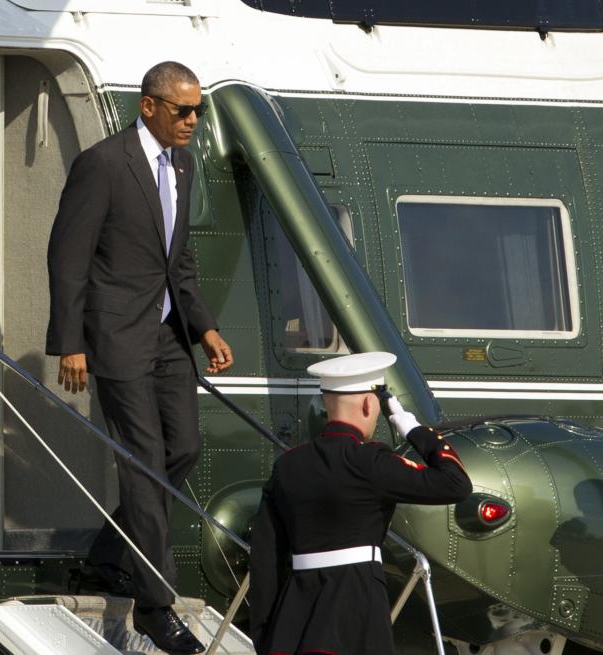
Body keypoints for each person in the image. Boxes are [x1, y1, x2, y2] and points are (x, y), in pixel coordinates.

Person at [46, 61, 233, 654]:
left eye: (198, 110)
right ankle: (156, 606)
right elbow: (67, 257)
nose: (193, 121)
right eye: (183, 110)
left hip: (166, 335)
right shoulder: (104, 163)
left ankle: (108, 554)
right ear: (149, 106)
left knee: (182, 448)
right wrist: (69, 342)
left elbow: (179, 261)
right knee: (147, 460)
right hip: (115, 337)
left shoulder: (182, 164)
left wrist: (204, 330)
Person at [248, 351, 472, 655]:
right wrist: (416, 430)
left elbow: (265, 557)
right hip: (357, 606)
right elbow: (456, 484)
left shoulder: (287, 466)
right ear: (369, 404)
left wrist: (264, 632)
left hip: (294, 615)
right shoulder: (371, 461)